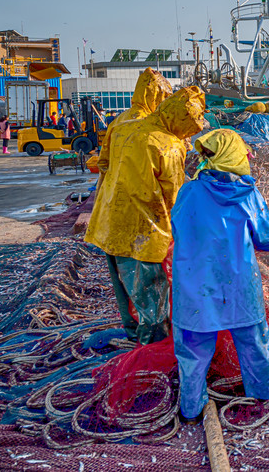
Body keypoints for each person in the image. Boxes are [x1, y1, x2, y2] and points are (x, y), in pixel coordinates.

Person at [170, 128, 269, 422]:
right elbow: (266, 241)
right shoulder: (249, 195)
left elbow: (177, 228)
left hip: (195, 288)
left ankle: (191, 409)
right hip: (239, 288)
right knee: (255, 345)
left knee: (192, 354)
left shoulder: (188, 192)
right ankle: (265, 399)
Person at [84, 86, 206, 345]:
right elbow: (174, 197)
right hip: (145, 229)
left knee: (125, 288)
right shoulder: (170, 144)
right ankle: (153, 349)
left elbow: (102, 165)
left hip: (108, 222)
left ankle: (133, 336)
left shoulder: (123, 126)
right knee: (151, 295)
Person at [96, 68, 173, 187]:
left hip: (113, 191)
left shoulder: (118, 120)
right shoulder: (153, 124)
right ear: (156, 95)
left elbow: (103, 162)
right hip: (142, 193)